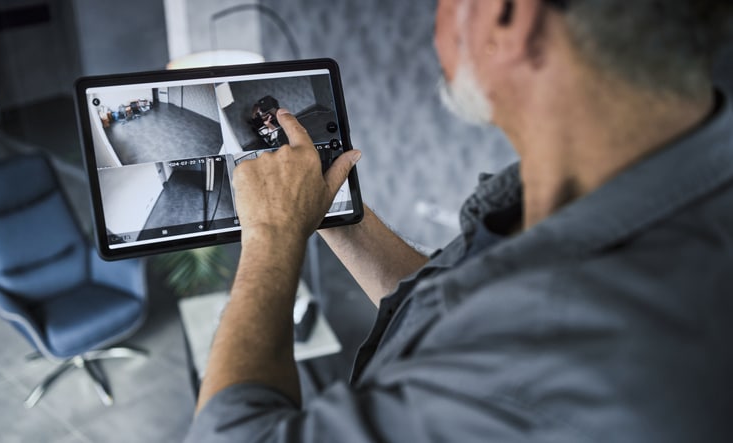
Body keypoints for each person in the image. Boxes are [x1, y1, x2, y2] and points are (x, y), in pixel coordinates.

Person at [186, 0, 733, 441]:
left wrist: (272, 234)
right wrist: (325, 207)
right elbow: (453, 309)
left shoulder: (558, 348)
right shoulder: (630, 187)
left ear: (507, 16)